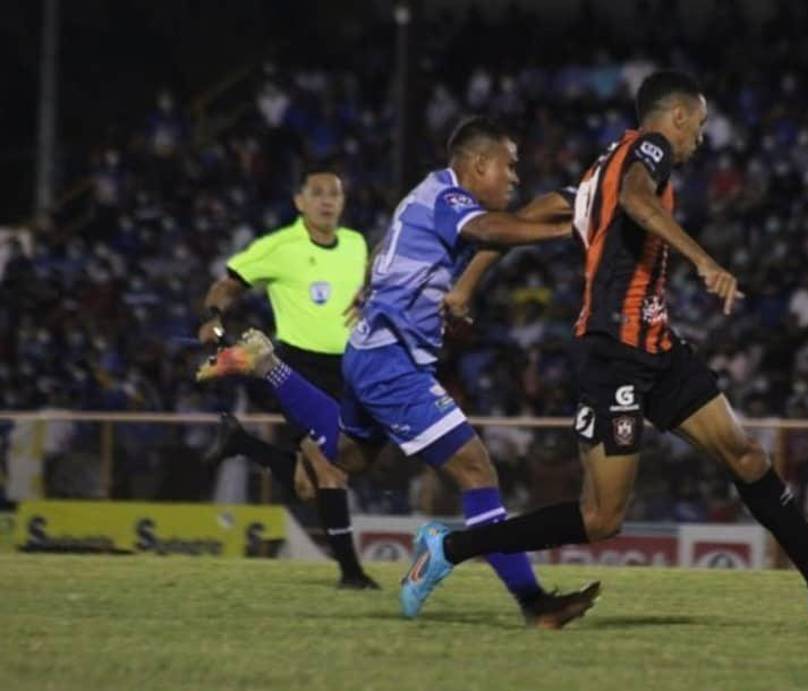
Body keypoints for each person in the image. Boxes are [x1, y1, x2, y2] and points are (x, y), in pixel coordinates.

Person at [398, 71, 808, 623]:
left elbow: (536, 210)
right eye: (699, 124)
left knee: (746, 455)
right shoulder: (650, 150)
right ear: (677, 117)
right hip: (614, 353)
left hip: (658, 345)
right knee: (601, 518)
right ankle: (450, 547)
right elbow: (635, 198)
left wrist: (467, 284)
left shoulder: (601, 169)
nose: (700, 138)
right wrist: (703, 260)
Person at [199, 117, 600, 629]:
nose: (515, 176)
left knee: (349, 456)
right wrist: (573, 229)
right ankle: (531, 601)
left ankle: (268, 366)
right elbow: (490, 231)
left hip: (371, 350)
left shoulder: (432, 193)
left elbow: (503, 225)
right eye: (510, 166)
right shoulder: (449, 198)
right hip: (392, 361)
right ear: (480, 164)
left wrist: (574, 201)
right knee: (476, 471)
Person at [196, 167, 377, 589]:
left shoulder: (356, 244)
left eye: (334, 193)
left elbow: (370, 288)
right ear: (300, 202)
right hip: (298, 369)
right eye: (317, 193)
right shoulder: (280, 246)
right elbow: (229, 284)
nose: (327, 200)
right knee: (330, 469)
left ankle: (241, 443)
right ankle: (351, 574)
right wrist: (214, 317)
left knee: (309, 486)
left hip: (350, 368)